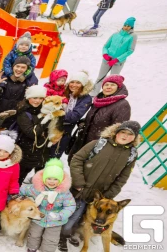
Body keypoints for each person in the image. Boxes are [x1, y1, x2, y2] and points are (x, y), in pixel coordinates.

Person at [60, 121, 140, 251]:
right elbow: (77, 159)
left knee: (86, 217)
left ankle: (72, 232)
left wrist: (109, 195)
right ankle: (62, 236)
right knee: (73, 214)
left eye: (130, 134)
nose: (125, 136)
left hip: (100, 196)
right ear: (116, 132)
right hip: (81, 190)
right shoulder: (98, 144)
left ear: (135, 137)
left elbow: (123, 177)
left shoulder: (131, 155)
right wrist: (79, 183)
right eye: (123, 132)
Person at [68, 75, 130, 159]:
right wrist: (83, 122)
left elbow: (118, 129)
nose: (108, 87)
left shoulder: (122, 105)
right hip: (84, 142)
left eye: (112, 85)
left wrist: (105, 146)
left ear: (118, 88)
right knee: (76, 165)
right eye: (106, 85)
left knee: (86, 168)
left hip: (98, 146)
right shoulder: (99, 101)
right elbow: (94, 118)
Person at [20, 158, 76, 252]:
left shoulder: (64, 193)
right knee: (34, 234)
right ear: (43, 178)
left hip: (55, 220)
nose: (51, 181)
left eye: (55, 179)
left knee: (51, 238)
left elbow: (70, 206)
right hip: (38, 217)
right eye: (49, 178)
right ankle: (32, 247)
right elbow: (22, 190)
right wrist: (18, 196)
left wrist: (60, 215)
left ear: (61, 180)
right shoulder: (35, 188)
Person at [0, 56, 38, 129]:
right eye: (17, 66)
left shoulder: (30, 82)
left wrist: (30, 94)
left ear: (27, 69)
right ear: (12, 66)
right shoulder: (3, 77)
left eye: (23, 67)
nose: (19, 69)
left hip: (13, 120)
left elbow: (31, 105)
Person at [52, 71, 92, 158]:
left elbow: (74, 117)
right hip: (49, 128)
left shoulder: (86, 98)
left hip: (64, 132)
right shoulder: (63, 91)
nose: (74, 85)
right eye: (72, 82)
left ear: (83, 84)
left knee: (53, 158)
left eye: (78, 82)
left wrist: (54, 113)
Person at [90, 17, 136, 96]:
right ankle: (94, 93)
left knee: (113, 80)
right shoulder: (115, 34)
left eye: (128, 26)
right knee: (100, 77)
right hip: (107, 60)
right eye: (125, 25)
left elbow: (130, 50)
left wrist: (117, 59)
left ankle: (109, 95)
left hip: (118, 62)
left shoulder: (132, 36)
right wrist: (105, 54)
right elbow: (106, 46)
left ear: (131, 27)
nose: (126, 27)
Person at [16, 85, 52, 185]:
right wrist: (46, 120)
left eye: (41, 98)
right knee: (19, 176)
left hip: (38, 150)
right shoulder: (23, 112)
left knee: (29, 173)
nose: (37, 101)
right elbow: (31, 133)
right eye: (34, 98)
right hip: (25, 149)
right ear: (28, 98)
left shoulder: (44, 110)